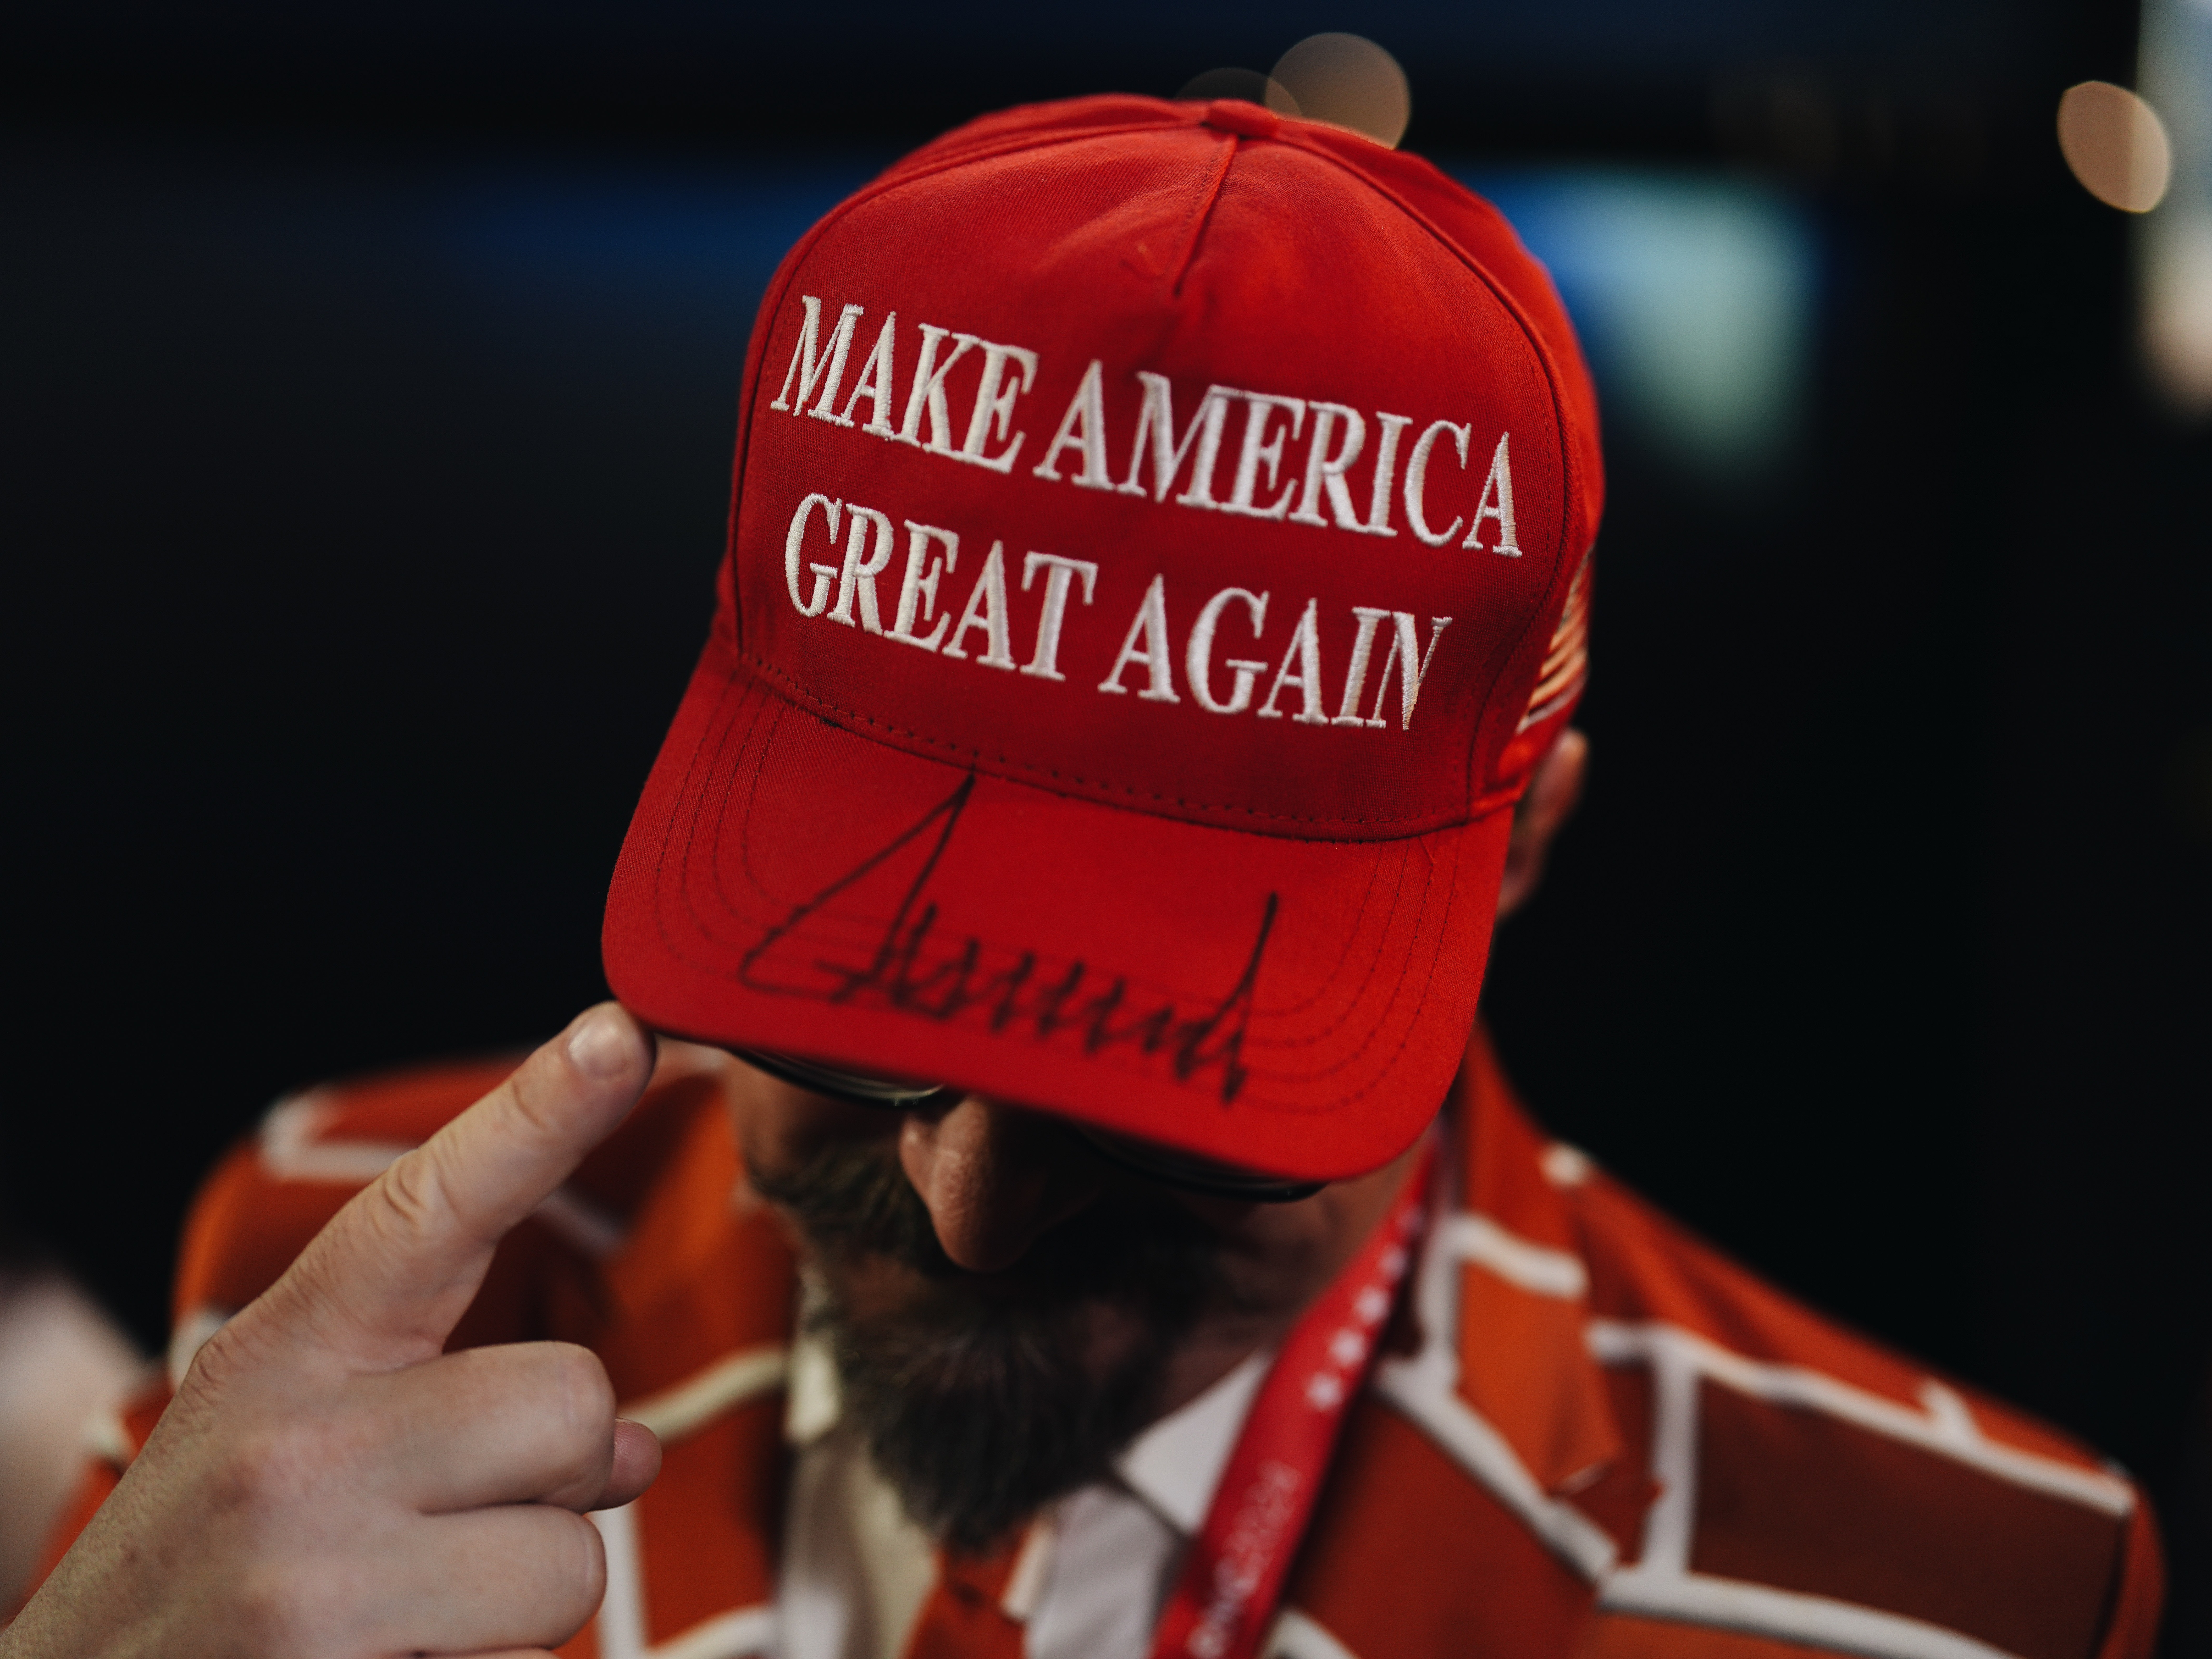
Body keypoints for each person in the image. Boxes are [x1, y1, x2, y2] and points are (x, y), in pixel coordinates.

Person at [2, 94, 2164, 1659]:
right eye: (863, 1017)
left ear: (1524, 847)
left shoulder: (1957, 1595)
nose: (964, 1211)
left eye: (1167, 1079)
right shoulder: (328, 1293)